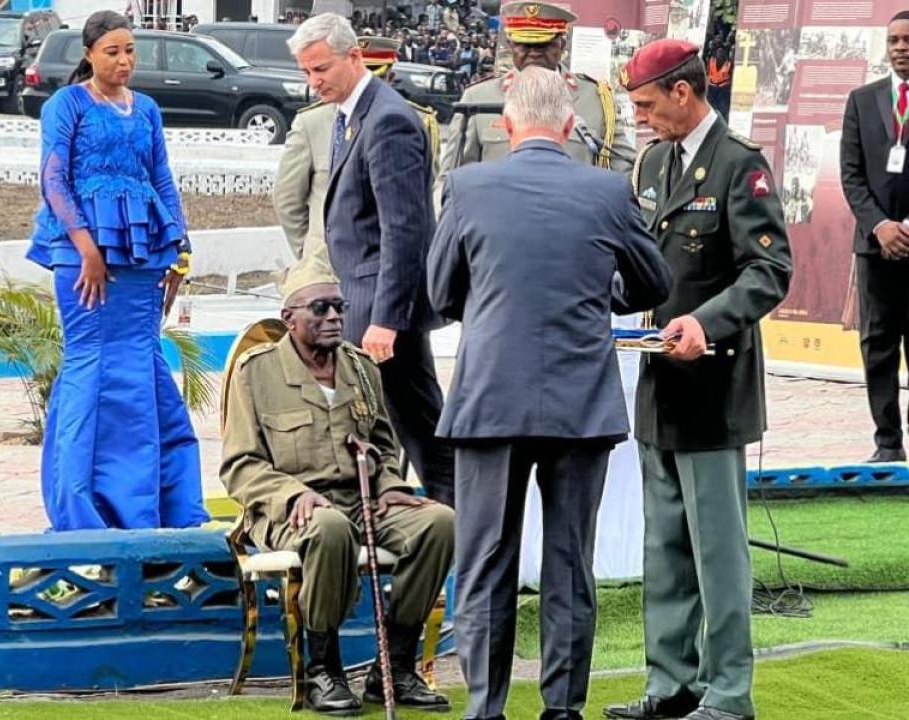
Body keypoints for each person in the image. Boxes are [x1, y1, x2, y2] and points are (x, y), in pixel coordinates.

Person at [427, 66, 673, 720]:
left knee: (486, 561)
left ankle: (486, 707)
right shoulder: (608, 190)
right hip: (580, 402)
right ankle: (562, 709)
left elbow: (440, 292)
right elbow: (653, 283)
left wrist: (491, 303)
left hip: (490, 398)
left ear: (507, 125)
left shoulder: (468, 186)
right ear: (569, 126)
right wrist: (602, 294)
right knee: (569, 564)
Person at [605, 40, 792, 720]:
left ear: (683, 92)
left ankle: (729, 691)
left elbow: (769, 271)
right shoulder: (653, 162)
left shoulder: (740, 164)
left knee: (717, 553)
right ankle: (671, 684)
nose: (639, 118)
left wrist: (705, 323)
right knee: (664, 547)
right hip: (659, 383)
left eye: (646, 105)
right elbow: (642, 265)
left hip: (714, 385)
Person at [220, 255, 454, 716]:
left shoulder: (361, 367)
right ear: (290, 317)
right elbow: (240, 466)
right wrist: (293, 494)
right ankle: (323, 669)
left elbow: (381, 446)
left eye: (339, 307)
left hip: (362, 500)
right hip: (291, 511)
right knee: (330, 529)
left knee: (439, 523)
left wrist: (389, 485)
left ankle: (395, 667)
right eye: (320, 309)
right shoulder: (257, 372)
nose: (334, 317)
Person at [26, 11, 208, 531]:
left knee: (143, 367)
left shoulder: (146, 108)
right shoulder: (67, 104)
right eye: (112, 51)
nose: (124, 60)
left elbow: (161, 177)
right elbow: (53, 179)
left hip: (143, 254)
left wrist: (180, 249)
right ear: (89, 54)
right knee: (91, 366)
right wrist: (86, 248)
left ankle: (153, 508)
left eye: (130, 50)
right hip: (81, 254)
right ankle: (82, 509)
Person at [287, 14, 455, 506]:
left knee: (418, 431)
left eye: (321, 69)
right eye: (306, 72)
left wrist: (387, 320)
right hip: (364, 302)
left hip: (382, 313)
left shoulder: (388, 121)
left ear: (354, 57)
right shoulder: (353, 115)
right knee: (394, 430)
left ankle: (459, 531)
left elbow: (404, 229)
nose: (313, 82)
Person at [274, 35, 441, 262]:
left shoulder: (416, 120)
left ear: (391, 78)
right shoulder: (311, 122)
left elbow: (422, 198)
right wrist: (309, 252)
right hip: (325, 264)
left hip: (389, 261)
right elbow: (287, 198)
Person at [437, 0, 635, 192]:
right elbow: (451, 178)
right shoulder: (478, 98)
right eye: (524, 45)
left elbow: (625, 172)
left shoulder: (594, 98)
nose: (534, 53)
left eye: (544, 45)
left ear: (562, 44)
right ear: (511, 45)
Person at [840, 11, 909, 463]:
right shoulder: (862, 101)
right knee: (878, 346)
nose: (900, 48)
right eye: (893, 41)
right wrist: (880, 225)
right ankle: (887, 443)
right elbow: (851, 174)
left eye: (907, 40)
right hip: (875, 246)